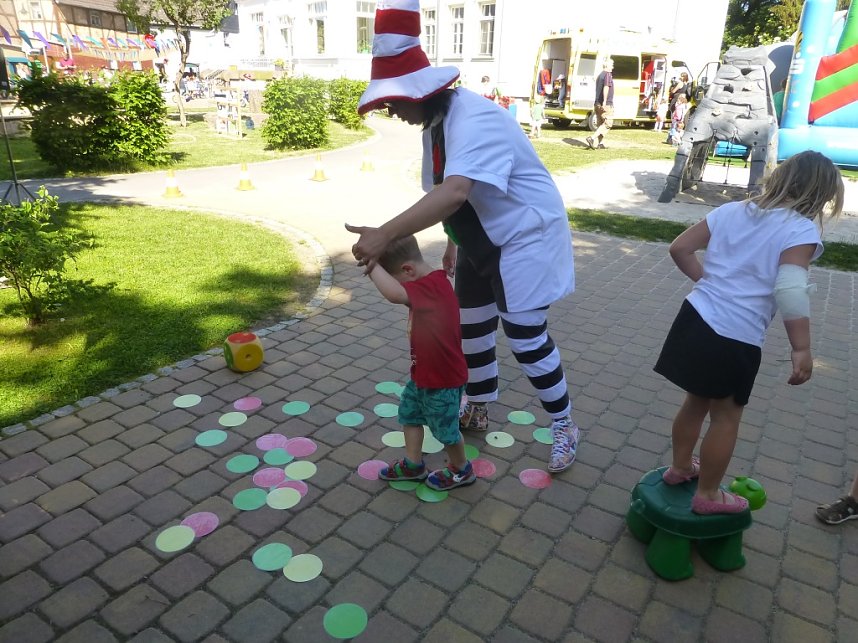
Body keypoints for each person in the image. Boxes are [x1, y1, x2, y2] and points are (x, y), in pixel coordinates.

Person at [348, 0, 581, 472]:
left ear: (418, 93)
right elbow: (449, 190)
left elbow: (455, 191)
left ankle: (564, 424)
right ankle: (478, 405)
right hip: (480, 241)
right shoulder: (435, 124)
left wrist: (383, 237)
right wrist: (454, 245)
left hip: (525, 240)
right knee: (471, 329)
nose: (391, 111)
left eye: (393, 102)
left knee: (525, 337)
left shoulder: (475, 118)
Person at [654, 150, 844, 515]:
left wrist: (708, 282)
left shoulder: (732, 210)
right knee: (726, 417)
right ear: (821, 195)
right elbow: (790, 288)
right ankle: (708, 495)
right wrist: (801, 348)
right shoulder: (799, 228)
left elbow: (680, 248)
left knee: (695, 401)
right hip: (734, 336)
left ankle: (680, 468)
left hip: (694, 317)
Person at [367, 236, 475, 490]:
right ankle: (413, 465)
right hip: (423, 375)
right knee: (410, 414)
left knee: (445, 430)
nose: (404, 292)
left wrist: (370, 264)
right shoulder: (429, 284)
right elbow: (400, 292)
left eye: (397, 279)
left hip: (443, 381)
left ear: (408, 270)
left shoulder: (432, 287)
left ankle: (462, 469)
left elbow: (395, 295)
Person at [587, 58, 614, 150]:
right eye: (612, 65)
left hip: (597, 103)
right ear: (607, 66)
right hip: (605, 104)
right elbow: (606, 87)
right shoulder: (608, 75)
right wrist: (605, 101)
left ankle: (600, 143)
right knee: (608, 123)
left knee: (601, 124)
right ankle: (592, 138)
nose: (613, 67)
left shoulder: (599, 75)